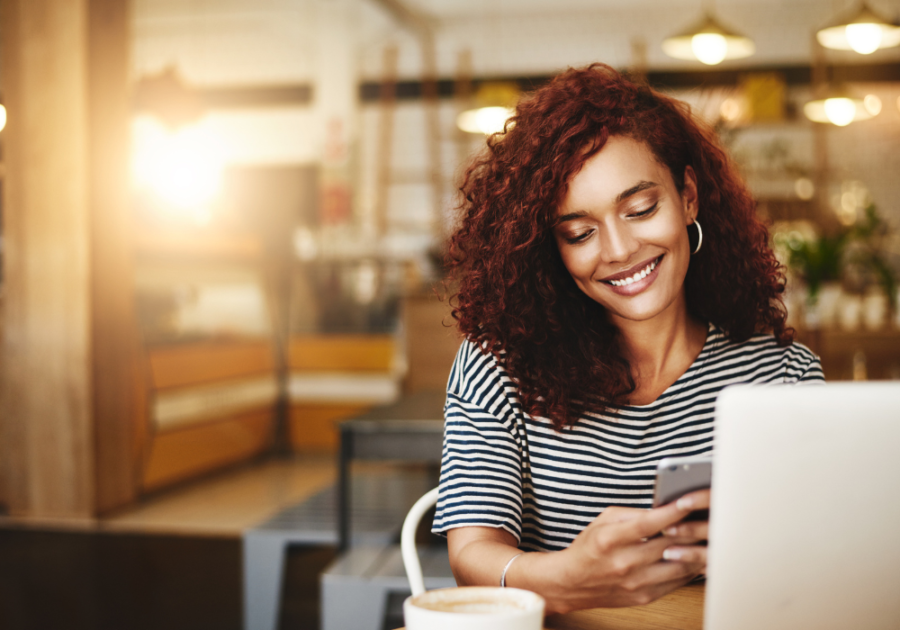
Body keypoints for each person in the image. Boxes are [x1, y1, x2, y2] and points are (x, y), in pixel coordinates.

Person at [431, 64, 824, 614]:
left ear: (688, 197)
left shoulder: (781, 376)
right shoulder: (499, 366)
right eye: (579, 232)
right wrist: (564, 578)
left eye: (641, 209)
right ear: (550, 248)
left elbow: (821, 559)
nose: (617, 250)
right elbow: (472, 551)